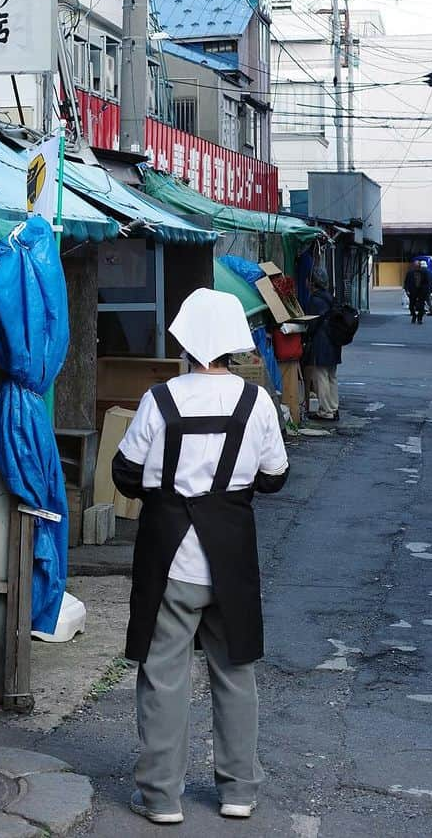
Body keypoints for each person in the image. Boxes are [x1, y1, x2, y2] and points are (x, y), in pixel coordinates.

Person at [111, 288, 289, 825]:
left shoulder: (160, 398)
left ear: (185, 342)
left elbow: (125, 472)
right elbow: (276, 476)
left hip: (169, 554)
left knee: (163, 674)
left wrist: (169, 487)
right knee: (235, 672)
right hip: (230, 555)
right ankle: (239, 791)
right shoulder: (255, 401)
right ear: (235, 345)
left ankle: (162, 797)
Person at [302, 269, 341, 422]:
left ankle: (326, 411)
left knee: (321, 376)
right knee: (331, 376)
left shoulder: (314, 300)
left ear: (312, 283)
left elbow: (311, 323)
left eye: (307, 280)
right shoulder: (330, 297)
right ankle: (333, 407)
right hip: (333, 341)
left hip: (321, 343)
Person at [403, 259, 432, 325]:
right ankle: (414, 316)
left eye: (417, 266)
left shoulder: (424, 272)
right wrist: (407, 290)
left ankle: (420, 319)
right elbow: (406, 282)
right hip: (412, 292)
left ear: (420, 266)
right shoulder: (410, 273)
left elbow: (427, 283)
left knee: (421, 306)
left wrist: (426, 291)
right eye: (415, 266)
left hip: (421, 292)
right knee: (411, 306)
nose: (416, 267)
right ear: (413, 266)